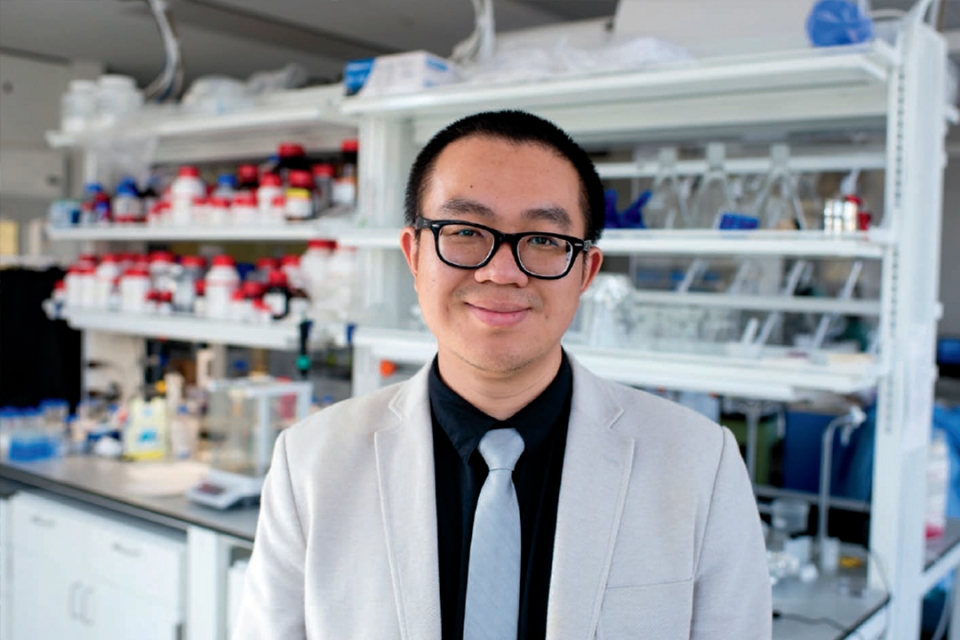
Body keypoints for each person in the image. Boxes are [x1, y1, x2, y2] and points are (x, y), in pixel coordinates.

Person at [234, 110, 771, 640]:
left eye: (543, 239)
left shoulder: (702, 464)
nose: (502, 271)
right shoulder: (309, 464)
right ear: (414, 253)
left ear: (586, 270)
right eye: (466, 230)